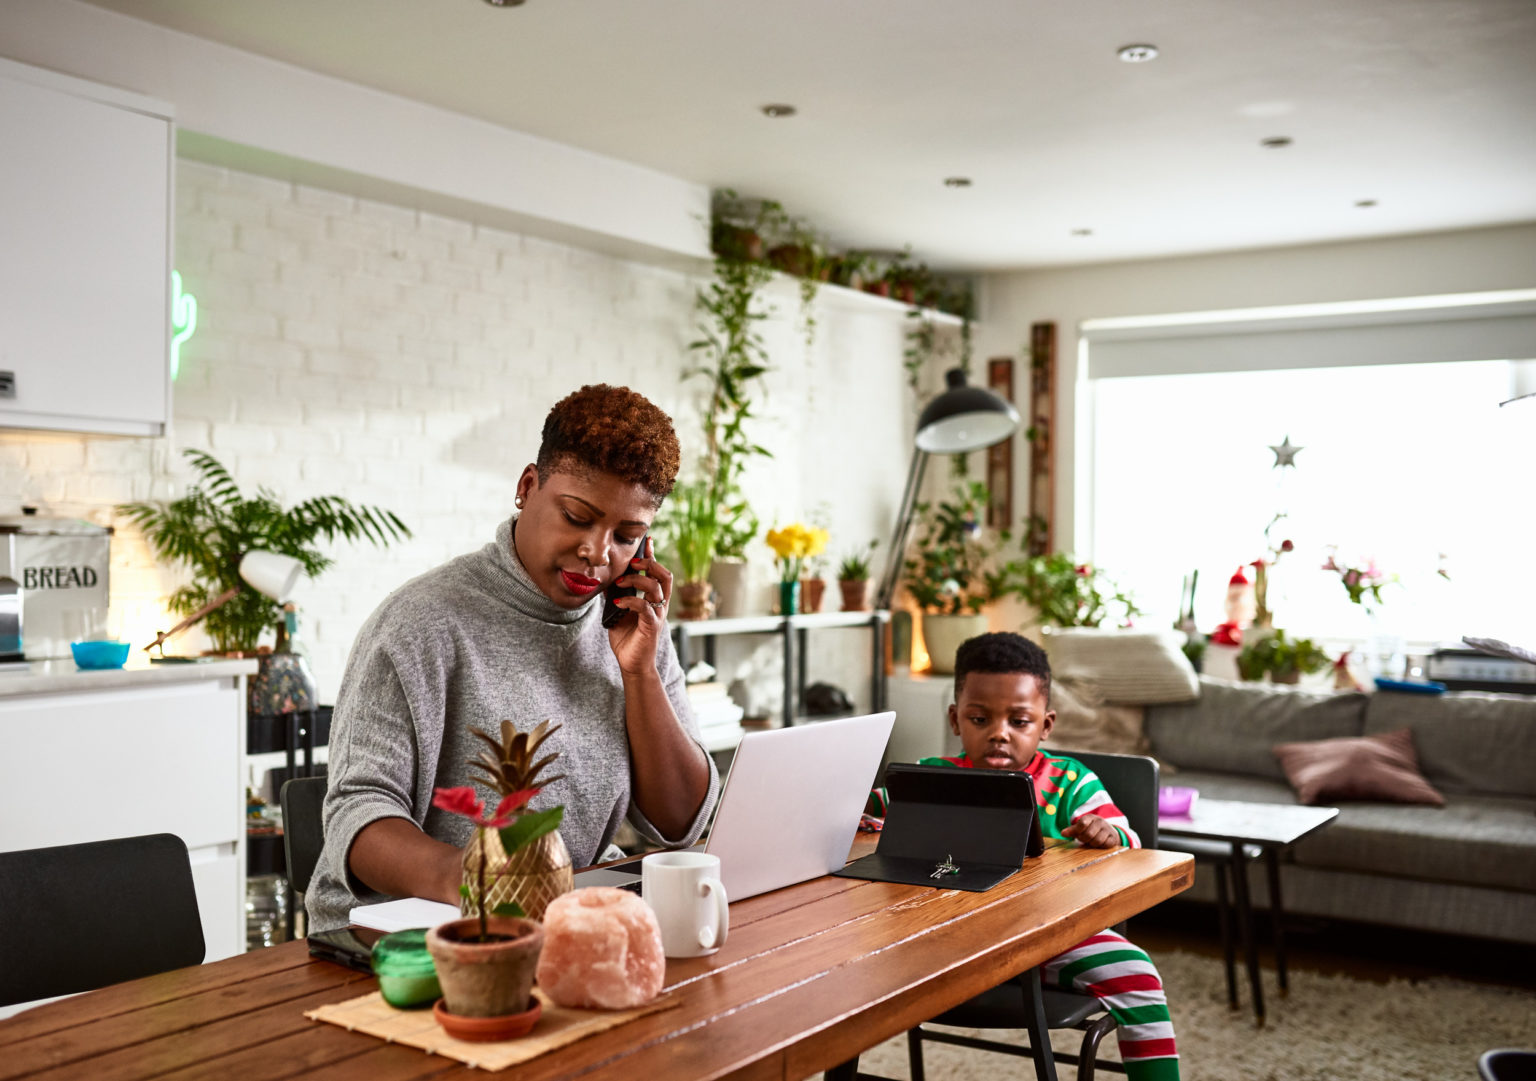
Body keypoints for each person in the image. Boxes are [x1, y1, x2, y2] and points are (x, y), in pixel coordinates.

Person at [306, 384, 720, 933]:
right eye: (576, 517)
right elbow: (356, 817)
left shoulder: (632, 625)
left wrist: (640, 672)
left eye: (626, 535)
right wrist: (483, 880)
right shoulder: (420, 622)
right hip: (401, 942)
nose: (598, 553)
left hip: (553, 923)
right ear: (528, 487)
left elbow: (681, 823)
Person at [868, 631, 1180, 1081]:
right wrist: (864, 819)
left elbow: (1132, 839)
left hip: (1050, 938)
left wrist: (1108, 831)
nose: (998, 734)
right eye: (980, 719)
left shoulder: (1071, 781)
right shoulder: (928, 777)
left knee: (1137, 974)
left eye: (1019, 721)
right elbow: (865, 813)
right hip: (941, 943)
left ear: (1046, 725)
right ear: (955, 719)